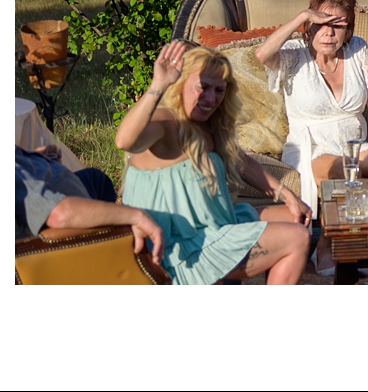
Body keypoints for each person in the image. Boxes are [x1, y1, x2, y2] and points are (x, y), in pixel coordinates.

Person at [115, 40, 313, 284]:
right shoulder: (165, 121)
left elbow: (241, 161)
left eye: (219, 90)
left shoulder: (207, 125)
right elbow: (124, 140)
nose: (210, 98)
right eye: (202, 87)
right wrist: (158, 84)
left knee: (297, 218)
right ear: (179, 84)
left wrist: (288, 197)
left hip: (215, 227)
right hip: (182, 248)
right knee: (297, 238)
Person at [254, 0, 368, 211]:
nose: (329, 33)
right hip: (312, 148)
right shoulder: (294, 54)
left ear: (348, 32)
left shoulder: (357, 49)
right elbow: (262, 54)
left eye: (337, 26)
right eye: (321, 24)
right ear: (309, 27)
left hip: (354, 147)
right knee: (344, 170)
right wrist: (303, 15)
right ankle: (340, 231)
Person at [15, 146, 165, 263]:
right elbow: (58, 214)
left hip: (47, 182)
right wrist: (135, 216)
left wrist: (34, 160)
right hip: (64, 244)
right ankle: (110, 248)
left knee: (96, 179)